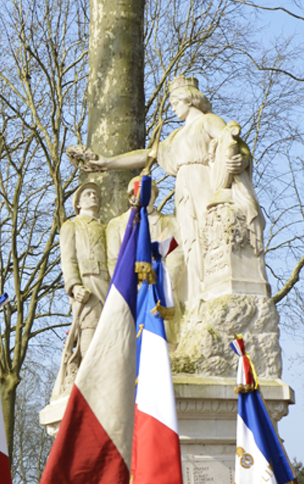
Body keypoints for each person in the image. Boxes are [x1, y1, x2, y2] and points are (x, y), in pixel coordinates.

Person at [85, 75, 264, 308]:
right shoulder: (174, 137)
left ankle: (212, 289)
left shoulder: (207, 121)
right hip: (184, 191)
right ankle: (197, 296)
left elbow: (231, 142)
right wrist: (107, 163)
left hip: (204, 183)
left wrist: (242, 160)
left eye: (175, 102)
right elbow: (147, 155)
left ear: (189, 99)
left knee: (207, 233)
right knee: (189, 241)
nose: (172, 107)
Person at [106, 176, 186, 348]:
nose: (146, 197)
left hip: (162, 291)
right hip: (131, 293)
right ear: (130, 197)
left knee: (166, 343)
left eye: (150, 193)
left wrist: (160, 282)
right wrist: (134, 285)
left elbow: (177, 255)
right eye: (141, 193)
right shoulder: (117, 225)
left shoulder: (169, 222)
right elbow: (114, 262)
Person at [52, 182, 110, 400]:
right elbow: (67, 260)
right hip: (87, 285)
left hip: (108, 285)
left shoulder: (106, 227)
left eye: (95, 193)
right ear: (77, 203)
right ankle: (87, 379)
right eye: (87, 193)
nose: (93, 196)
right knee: (89, 329)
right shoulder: (71, 226)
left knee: (108, 331)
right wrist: (74, 286)